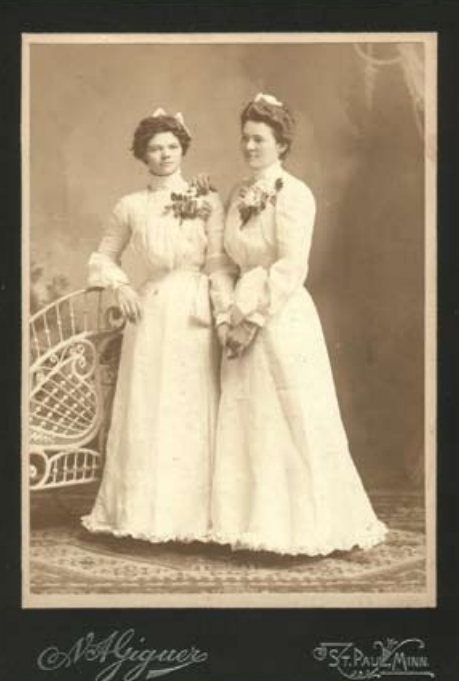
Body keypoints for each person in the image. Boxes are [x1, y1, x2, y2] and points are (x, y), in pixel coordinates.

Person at [211, 93, 388, 556]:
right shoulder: (237, 194)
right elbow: (226, 262)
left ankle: (301, 529)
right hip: (241, 308)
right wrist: (226, 315)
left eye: (259, 139)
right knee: (248, 415)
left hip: (280, 314)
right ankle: (250, 525)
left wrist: (253, 320)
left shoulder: (295, 193)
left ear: (282, 144)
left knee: (290, 413)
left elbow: (291, 266)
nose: (250, 147)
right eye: (245, 138)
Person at [82, 108, 233, 543]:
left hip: (195, 313)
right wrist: (120, 286)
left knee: (192, 405)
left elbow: (218, 263)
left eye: (172, 146)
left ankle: (195, 519)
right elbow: (103, 255)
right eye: (155, 148)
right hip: (150, 311)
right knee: (149, 405)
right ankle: (144, 516)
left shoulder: (207, 199)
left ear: (183, 149)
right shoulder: (130, 205)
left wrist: (224, 314)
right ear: (142, 154)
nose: (165, 154)